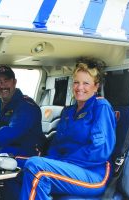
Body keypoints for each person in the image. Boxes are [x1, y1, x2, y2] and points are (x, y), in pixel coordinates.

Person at [19, 58, 116, 199]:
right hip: (69, 167)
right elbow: (57, 146)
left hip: (93, 173)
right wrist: (53, 161)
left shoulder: (101, 107)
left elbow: (100, 149)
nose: (79, 87)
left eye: (86, 83)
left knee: (36, 167)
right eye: (76, 82)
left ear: (96, 86)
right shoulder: (68, 112)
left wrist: (65, 162)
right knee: (19, 167)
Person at [0, 66, 46, 157]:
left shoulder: (27, 106)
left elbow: (13, 131)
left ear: (14, 82)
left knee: (2, 154)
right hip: (7, 147)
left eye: (6, 81)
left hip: (30, 151)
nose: (3, 85)